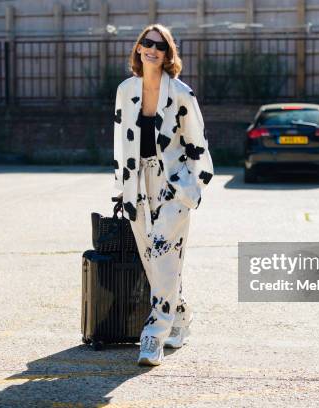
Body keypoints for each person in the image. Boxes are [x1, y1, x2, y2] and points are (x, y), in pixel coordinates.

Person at [113, 24, 214, 366]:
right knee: (153, 258)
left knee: (162, 251)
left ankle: (153, 335)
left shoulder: (182, 93)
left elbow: (198, 144)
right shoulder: (126, 91)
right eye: (146, 43)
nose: (152, 49)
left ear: (168, 53)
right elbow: (120, 141)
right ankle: (180, 317)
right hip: (137, 183)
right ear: (138, 49)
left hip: (173, 183)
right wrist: (121, 186)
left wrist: (191, 191)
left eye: (160, 45)